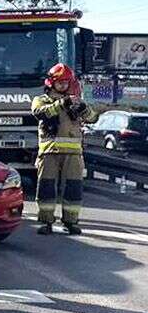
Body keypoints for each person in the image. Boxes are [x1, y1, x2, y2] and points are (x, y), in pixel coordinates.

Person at [31, 63, 96, 235]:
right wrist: (62, 104)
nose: (63, 85)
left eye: (66, 82)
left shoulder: (75, 100)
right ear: (51, 82)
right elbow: (39, 112)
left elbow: (92, 118)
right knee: (46, 188)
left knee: (73, 189)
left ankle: (71, 221)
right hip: (49, 152)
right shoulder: (42, 100)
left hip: (73, 153)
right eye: (59, 82)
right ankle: (46, 221)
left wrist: (83, 108)